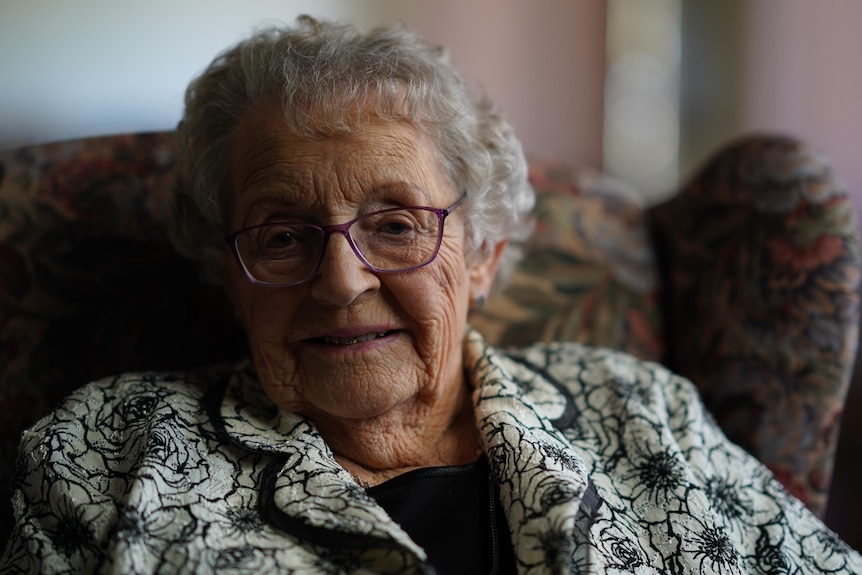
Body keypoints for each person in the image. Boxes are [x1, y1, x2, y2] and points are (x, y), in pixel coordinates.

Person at [1, 15, 860, 574]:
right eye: (281, 236)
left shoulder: (643, 411)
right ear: (228, 270)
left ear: (482, 251)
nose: (341, 281)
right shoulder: (105, 455)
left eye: (397, 225)